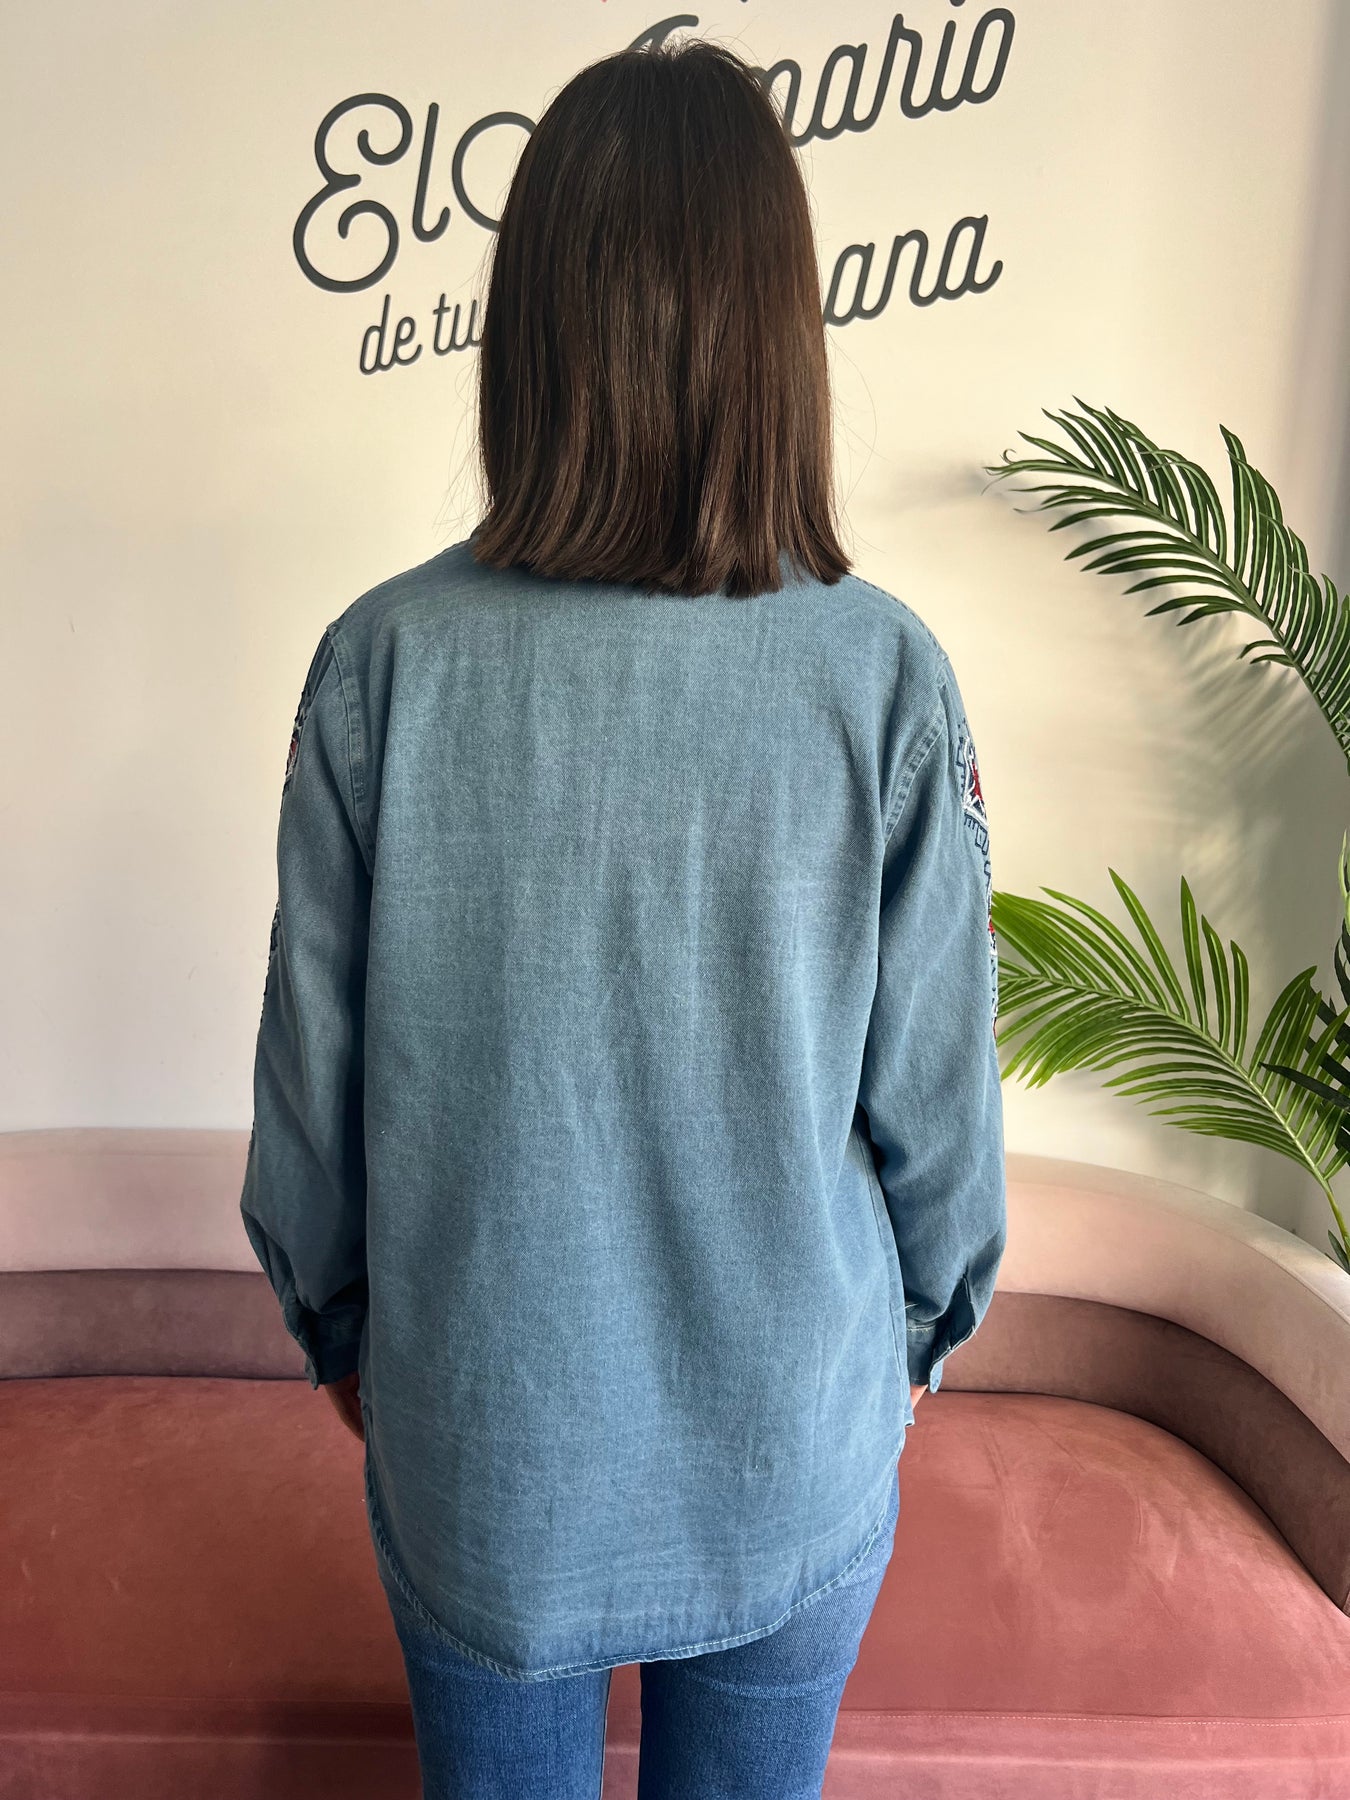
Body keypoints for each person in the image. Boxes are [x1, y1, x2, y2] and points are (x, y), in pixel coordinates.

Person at [239, 33, 1006, 1800]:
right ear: (780, 335)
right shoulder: (883, 678)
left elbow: (309, 1102)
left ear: (530, 326)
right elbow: (939, 1119)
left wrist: (348, 1336)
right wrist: (916, 1340)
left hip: (488, 1454)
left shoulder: (382, 667)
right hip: (791, 1447)